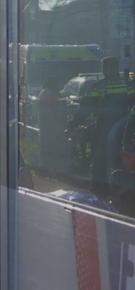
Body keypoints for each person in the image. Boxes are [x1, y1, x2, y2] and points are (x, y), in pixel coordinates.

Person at [72, 56, 134, 192]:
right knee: (124, 159)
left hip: (105, 128)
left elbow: (85, 108)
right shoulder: (128, 84)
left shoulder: (100, 86)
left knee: (99, 157)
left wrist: (73, 124)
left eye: (103, 67)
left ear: (106, 68)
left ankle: (99, 189)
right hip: (125, 128)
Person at [37, 76, 69, 175]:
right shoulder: (48, 93)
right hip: (51, 128)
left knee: (51, 151)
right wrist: (56, 127)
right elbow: (48, 113)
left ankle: (50, 171)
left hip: (52, 128)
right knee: (51, 151)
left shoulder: (48, 93)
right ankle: (50, 172)